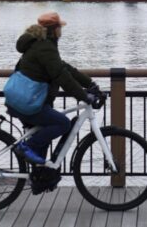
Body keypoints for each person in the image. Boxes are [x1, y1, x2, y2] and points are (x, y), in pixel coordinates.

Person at [8, 12, 98, 191]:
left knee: (45, 135)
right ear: (54, 29)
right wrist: (84, 96)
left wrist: (90, 84)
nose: (61, 31)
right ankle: (26, 147)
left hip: (26, 100)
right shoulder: (45, 48)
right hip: (28, 103)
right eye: (60, 27)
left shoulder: (43, 45)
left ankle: (40, 178)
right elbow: (61, 76)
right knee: (63, 123)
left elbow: (65, 68)